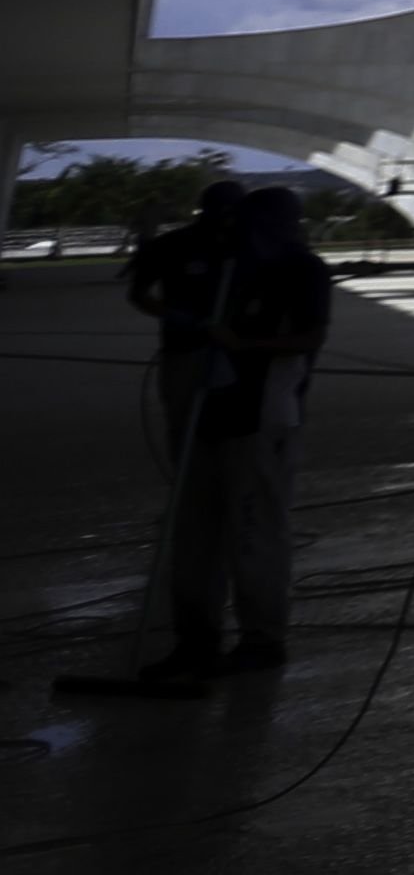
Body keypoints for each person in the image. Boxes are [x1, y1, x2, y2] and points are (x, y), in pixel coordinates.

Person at [148, 187, 333, 681]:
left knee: (254, 530)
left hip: (262, 415)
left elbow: (310, 337)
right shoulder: (231, 266)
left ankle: (262, 638)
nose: (242, 231)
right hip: (205, 412)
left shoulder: (301, 268)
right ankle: (195, 635)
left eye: (253, 222)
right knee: (194, 532)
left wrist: (245, 344)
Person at [123, 177, 248, 473]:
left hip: (237, 350)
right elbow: (139, 294)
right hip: (185, 350)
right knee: (185, 423)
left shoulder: (244, 245)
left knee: (235, 427)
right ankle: (187, 484)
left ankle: (227, 486)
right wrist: (175, 316)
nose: (229, 220)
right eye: (224, 212)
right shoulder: (173, 245)